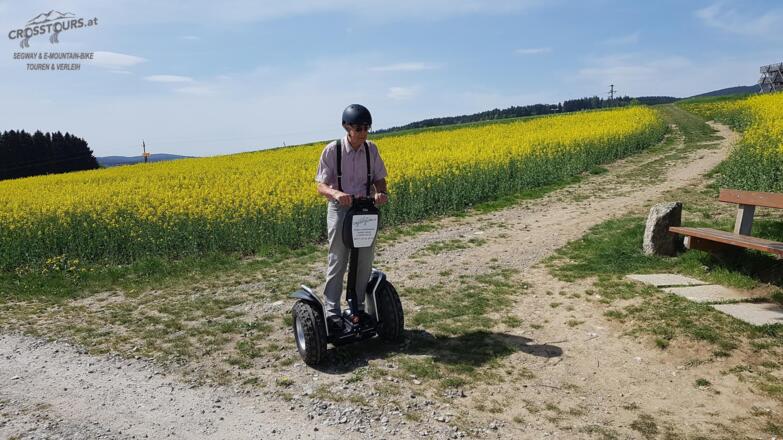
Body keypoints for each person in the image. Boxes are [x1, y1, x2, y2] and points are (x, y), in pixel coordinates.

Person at [315, 104, 388, 331]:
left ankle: (357, 308)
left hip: (364, 209)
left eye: (367, 128)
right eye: (359, 128)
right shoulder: (332, 150)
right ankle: (332, 312)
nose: (364, 132)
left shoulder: (371, 149)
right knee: (338, 259)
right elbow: (320, 185)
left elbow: (379, 178)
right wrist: (336, 193)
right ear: (347, 127)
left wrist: (380, 192)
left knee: (365, 260)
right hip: (340, 209)